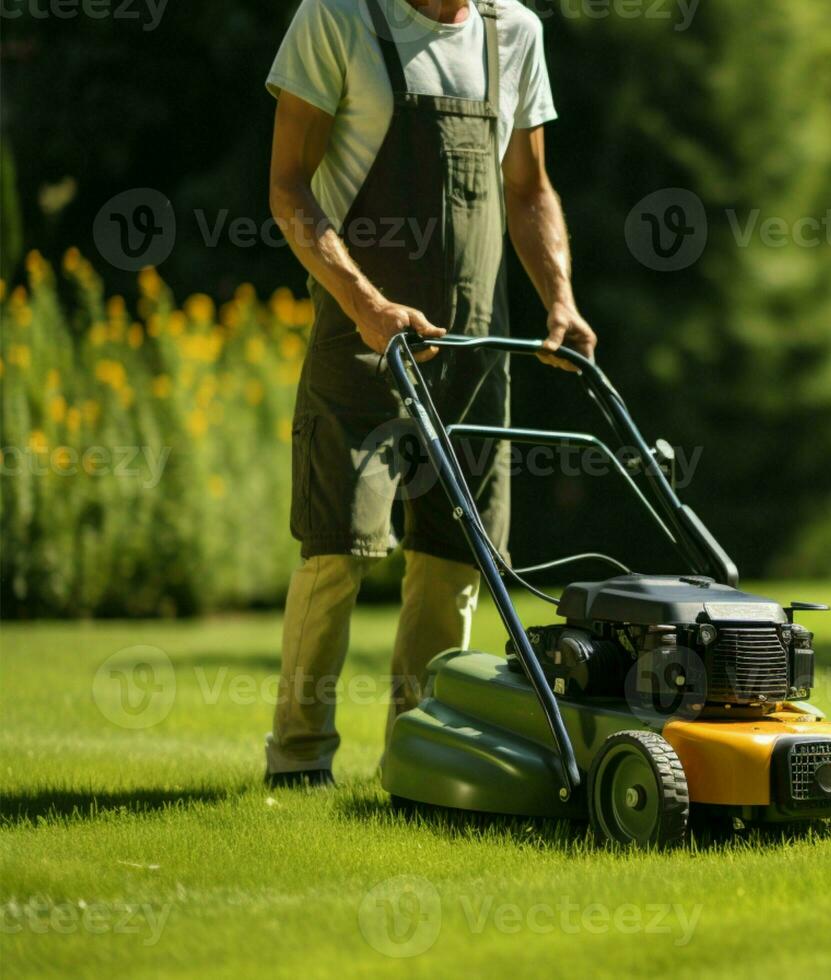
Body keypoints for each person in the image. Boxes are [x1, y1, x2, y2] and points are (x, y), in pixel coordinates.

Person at [262, 0, 595, 787]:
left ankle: (414, 762)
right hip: (362, 340)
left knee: (455, 561)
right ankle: (298, 761)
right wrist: (366, 305)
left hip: (477, 349)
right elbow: (287, 189)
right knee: (336, 546)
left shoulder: (514, 32)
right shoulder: (335, 20)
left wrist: (561, 297)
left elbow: (529, 188)